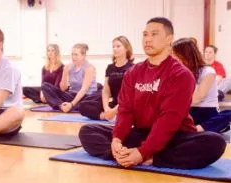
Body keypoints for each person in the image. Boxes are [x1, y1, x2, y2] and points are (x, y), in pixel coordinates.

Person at [78, 17, 226, 169]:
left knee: (215, 143)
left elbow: (168, 120)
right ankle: (125, 155)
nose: (147, 39)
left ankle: (150, 158)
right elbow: (125, 111)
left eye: (154, 34)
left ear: (169, 39)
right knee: (87, 132)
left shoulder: (181, 74)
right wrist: (117, 140)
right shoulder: (133, 73)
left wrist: (143, 152)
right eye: (145, 34)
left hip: (174, 136)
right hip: (141, 133)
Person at [172, 38, 231, 133]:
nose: (173, 58)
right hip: (188, 111)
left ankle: (199, 128)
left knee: (228, 114)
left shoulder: (208, 72)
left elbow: (196, 99)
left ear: (185, 55)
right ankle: (197, 128)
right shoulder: (178, 71)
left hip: (206, 111)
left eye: (175, 55)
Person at [79, 36, 134, 120]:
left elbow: (130, 95)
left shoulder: (132, 68)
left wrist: (114, 111)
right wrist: (106, 108)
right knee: (83, 106)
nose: (115, 49)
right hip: (114, 104)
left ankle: (114, 115)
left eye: (118, 46)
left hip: (126, 104)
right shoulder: (110, 67)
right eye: (113, 46)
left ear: (126, 48)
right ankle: (106, 116)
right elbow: (106, 90)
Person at [41, 43, 98, 113]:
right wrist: (65, 72)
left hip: (85, 96)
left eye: (76, 54)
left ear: (83, 56)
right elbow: (63, 88)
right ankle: (61, 106)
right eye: (72, 54)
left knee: (88, 103)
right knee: (45, 86)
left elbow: (84, 90)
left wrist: (71, 104)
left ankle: (73, 106)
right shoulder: (70, 66)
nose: (73, 57)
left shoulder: (89, 68)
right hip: (72, 94)